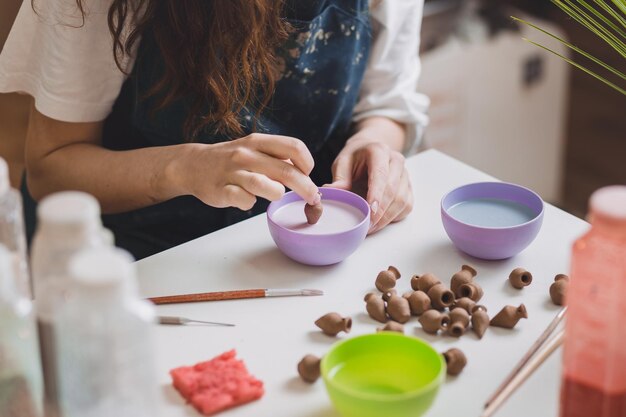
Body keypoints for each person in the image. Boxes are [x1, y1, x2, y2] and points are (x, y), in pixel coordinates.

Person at [0, 0, 428, 259]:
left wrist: (375, 142)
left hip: (294, 244)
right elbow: (52, 168)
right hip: (130, 255)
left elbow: (387, 103)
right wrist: (181, 168)